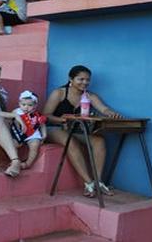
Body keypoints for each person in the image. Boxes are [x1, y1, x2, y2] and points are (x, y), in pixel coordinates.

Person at [42, 65, 123, 197]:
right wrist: (63, 120)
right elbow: (45, 115)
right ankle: (88, 183)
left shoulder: (89, 96)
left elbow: (104, 109)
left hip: (75, 129)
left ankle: (98, 181)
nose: (85, 83)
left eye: (87, 80)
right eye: (81, 79)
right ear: (71, 79)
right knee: (70, 141)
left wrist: (113, 114)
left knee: (99, 140)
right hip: (54, 128)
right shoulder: (60, 93)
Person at [9, 90, 47, 169]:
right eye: (23, 104)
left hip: (32, 135)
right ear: (19, 104)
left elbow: (42, 125)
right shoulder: (16, 112)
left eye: (30, 105)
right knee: (12, 144)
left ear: (35, 105)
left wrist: (44, 134)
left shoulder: (37, 115)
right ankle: (15, 161)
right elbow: (9, 120)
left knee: (35, 145)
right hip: (18, 134)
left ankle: (28, 163)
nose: (26, 107)